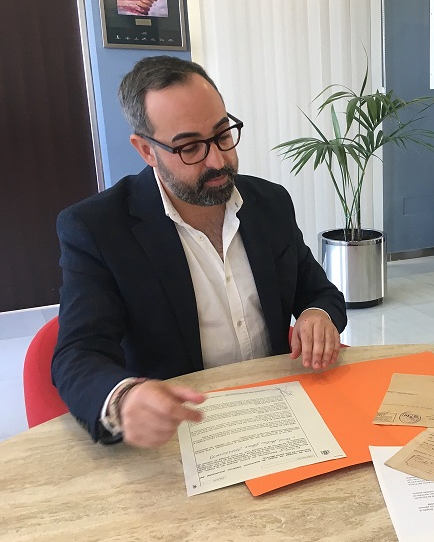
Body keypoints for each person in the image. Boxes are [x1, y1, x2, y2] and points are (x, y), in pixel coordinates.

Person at [53, 56, 347, 448]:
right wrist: (124, 398)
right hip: (182, 431)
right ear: (146, 150)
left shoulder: (270, 203)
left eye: (223, 134)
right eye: (190, 147)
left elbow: (320, 293)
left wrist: (317, 314)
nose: (218, 160)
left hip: (280, 415)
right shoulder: (97, 228)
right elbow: (77, 354)